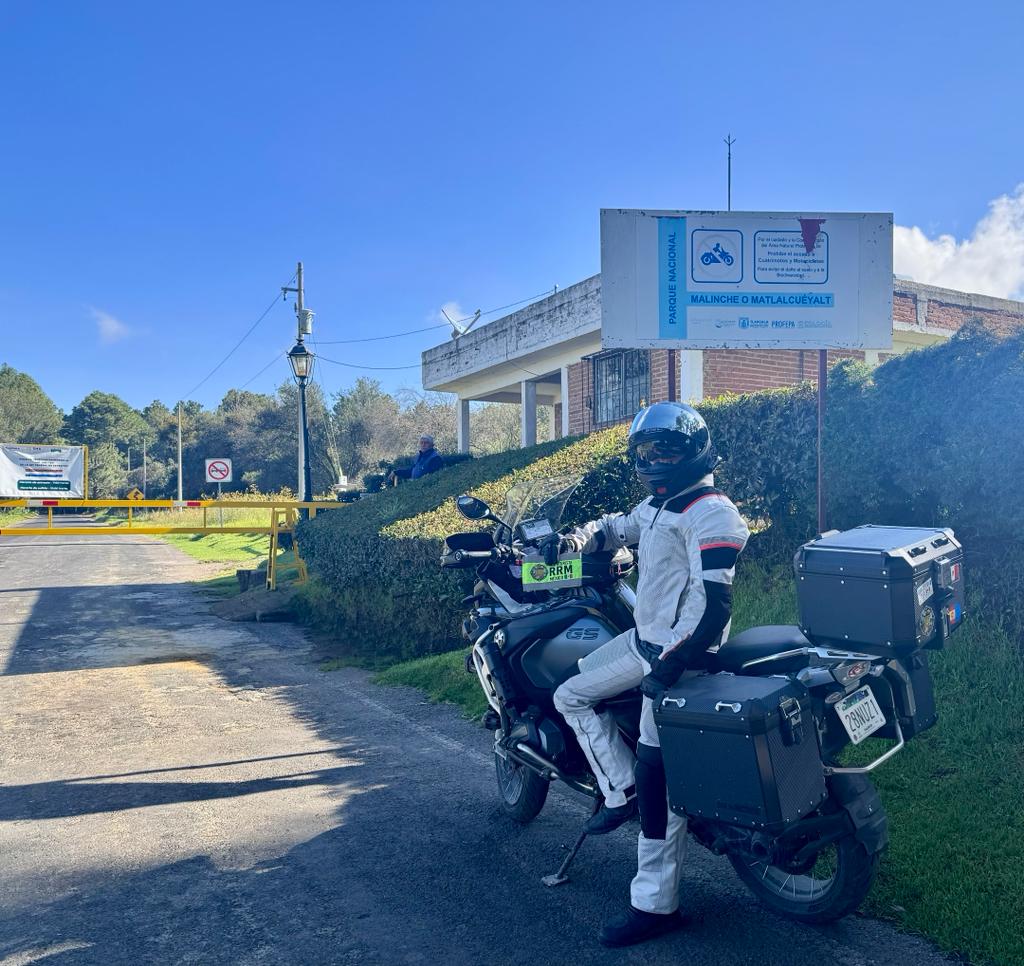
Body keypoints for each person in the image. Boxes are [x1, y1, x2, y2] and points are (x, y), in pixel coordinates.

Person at [551, 401, 749, 948]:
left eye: (666, 449)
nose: (654, 458)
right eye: (645, 450)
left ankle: (655, 905)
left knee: (659, 786)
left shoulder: (711, 512)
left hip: (677, 661)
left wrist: (669, 668)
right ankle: (619, 790)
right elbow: (616, 527)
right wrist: (571, 541)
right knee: (569, 692)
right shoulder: (660, 504)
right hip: (642, 644)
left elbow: (714, 610)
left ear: (695, 451)